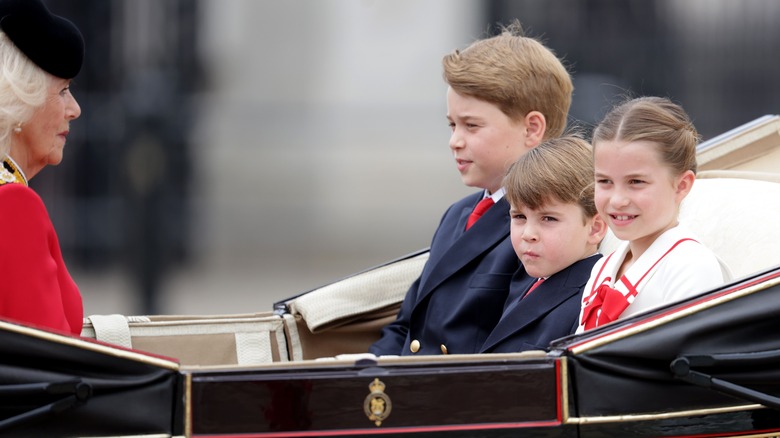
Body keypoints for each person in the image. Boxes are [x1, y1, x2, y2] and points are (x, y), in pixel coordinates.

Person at [369, 21, 573, 356]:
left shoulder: (547, 226)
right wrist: (364, 372)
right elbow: (407, 324)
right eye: (452, 124)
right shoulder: (458, 214)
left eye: (471, 125)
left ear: (532, 127)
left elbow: (512, 345)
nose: (454, 141)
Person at [576, 97, 730, 332]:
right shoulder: (603, 267)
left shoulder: (692, 267)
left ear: (681, 185)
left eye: (636, 182)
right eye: (604, 181)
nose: (617, 200)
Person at [0, 0, 85, 334]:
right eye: (63, 91)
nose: (74, 109)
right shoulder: (12, 206)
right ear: (20, 96)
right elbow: (52, 365)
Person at [480, 136, 606, 353]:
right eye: (519, 216)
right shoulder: (526, 278)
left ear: (595, 228)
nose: (528, 234)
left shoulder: (590, 302)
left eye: (548, 219)